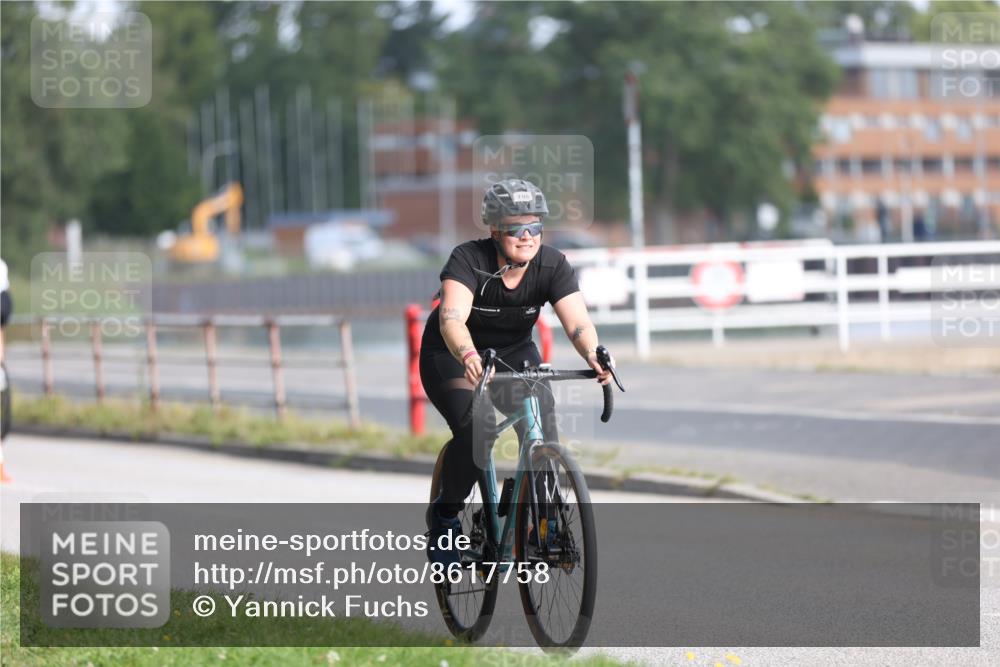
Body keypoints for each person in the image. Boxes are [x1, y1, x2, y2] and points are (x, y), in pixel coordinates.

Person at [420, 178, 612, 565]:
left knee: (542, 423)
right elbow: (452, 318)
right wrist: (468, 353)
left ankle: (543, 522)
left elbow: (578, 323)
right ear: (494, 230)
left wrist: (593, 353)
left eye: (535, 227)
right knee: (479, 431)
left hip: (513, 354)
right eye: (515, 228)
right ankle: (444, 518)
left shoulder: (552, 264)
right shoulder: (467, 259)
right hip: (454, 354)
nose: (527, 236)